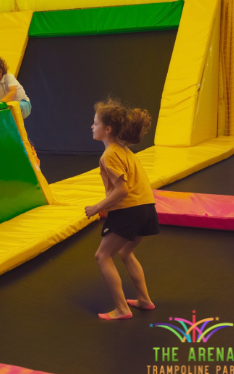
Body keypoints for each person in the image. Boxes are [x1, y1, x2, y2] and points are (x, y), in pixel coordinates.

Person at [84, 99, 158, 321]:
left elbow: (122, 191)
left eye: (95, 123)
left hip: (130, 210)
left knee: (103, 256)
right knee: (126, 252)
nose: (91, 126)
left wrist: (97, 207)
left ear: (107, 129)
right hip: (147, 208)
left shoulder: (109, 155)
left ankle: (121, 308)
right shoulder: (124, 150)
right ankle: (144, 300)